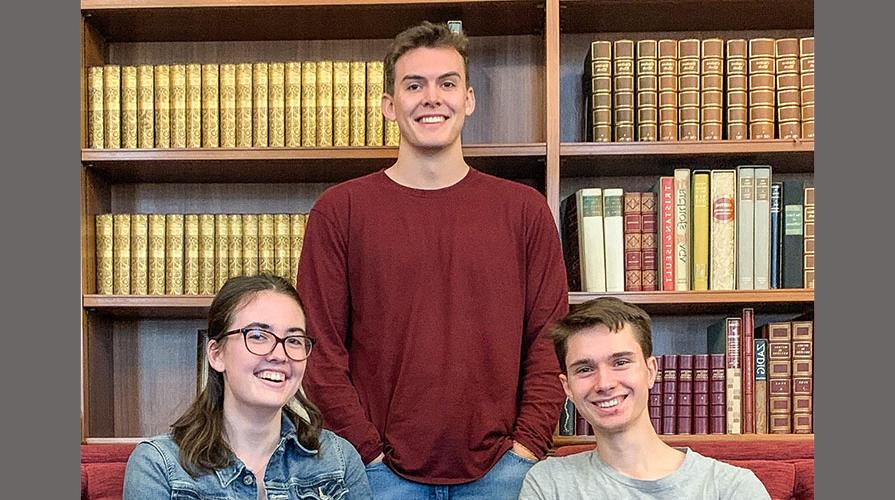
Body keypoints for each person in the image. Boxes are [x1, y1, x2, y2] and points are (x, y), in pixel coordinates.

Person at [297, 21, 568, 499]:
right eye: (414, 84)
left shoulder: (524, 211)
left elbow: (550, 338)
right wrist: (364, 452)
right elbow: (319, 347)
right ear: (388, 105)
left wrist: (528, 444)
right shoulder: (339, 211)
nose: (432, 97)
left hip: (505, 473)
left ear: (469, 99)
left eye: (447, 83)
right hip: (377, 474)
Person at [122, 274, 373, 500]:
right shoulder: (158, 465)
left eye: (294, 340)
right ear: (216, 354)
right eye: (257, 336)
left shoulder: (339, 460)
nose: (280, 354)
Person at [519, 297, 771, 499]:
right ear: (568, 388)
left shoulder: (732, 488)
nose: (604, 383)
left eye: (620, 362)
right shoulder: (549, 484)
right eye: (585, 369)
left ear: (650, 372)